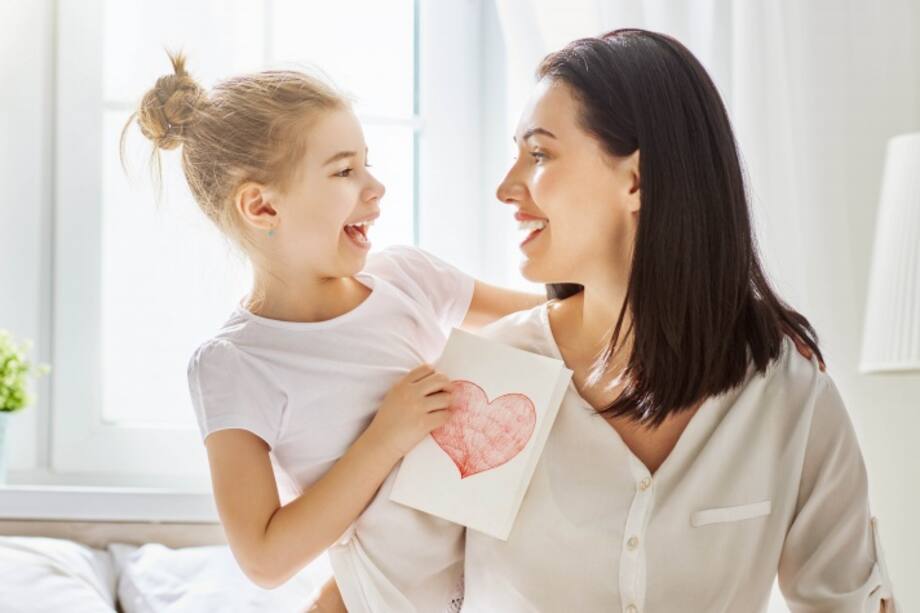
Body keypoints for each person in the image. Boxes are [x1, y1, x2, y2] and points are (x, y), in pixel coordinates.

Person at [454, 29, 897, 612]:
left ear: (635, 180)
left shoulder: (785, 390)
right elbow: (392, 587)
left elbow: (845, 599)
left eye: (538, 155)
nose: (507, 188)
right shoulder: (492, 374)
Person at [123, 52, 544, 612]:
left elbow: (554, 322)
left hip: (504, 587)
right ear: (262, 206)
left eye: (366, 164)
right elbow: (265, 560)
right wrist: (384, 437)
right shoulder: (234, 364)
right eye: (345, 171)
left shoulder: (408, 279)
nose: (376, 187)